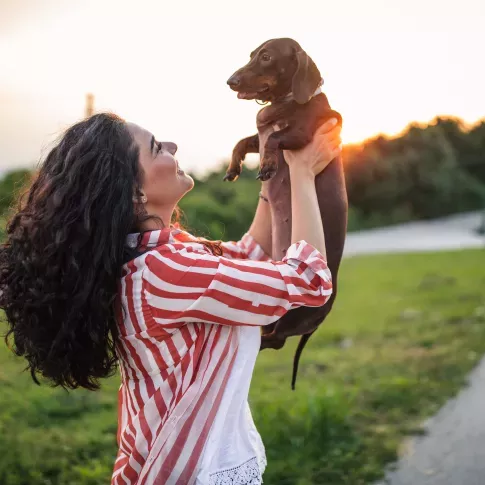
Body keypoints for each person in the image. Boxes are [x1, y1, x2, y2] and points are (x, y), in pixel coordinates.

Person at [0, 112, 342, 484]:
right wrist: (305, 173)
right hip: (190, 472)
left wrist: (274, 167)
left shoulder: (156, 257)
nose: (173, 147)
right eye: (156, 147)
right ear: (135, 193)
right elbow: (308, 280)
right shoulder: (165, 272)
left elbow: (250, 254)